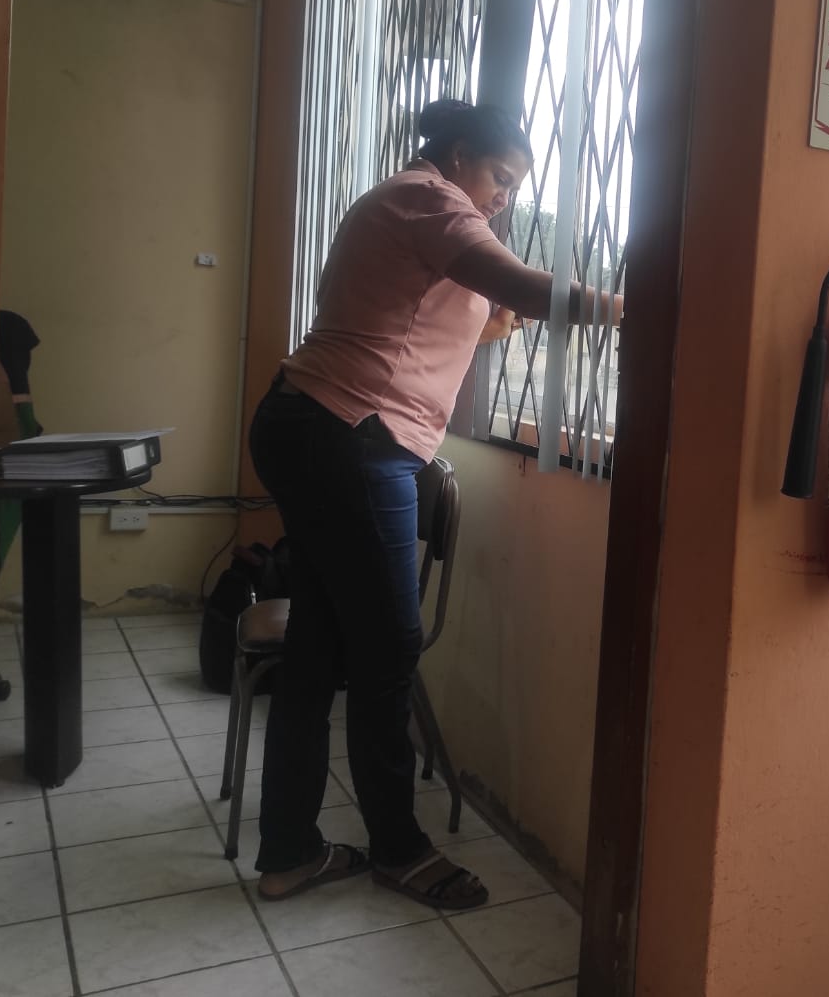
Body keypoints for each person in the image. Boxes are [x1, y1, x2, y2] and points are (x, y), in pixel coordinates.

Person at [249, 99, 620, 908]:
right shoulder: (431, 197)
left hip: (313, 423)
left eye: (514, 187)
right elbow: (517, 283)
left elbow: (409, 323)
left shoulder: (404, 203)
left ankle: (290, 851)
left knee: (319, 643)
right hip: (352, 435)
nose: (504, 197)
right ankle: (400, 849)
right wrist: (626, 304)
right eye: (500, 176)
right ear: (458, 157)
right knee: (389, 647)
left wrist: (489, 327)